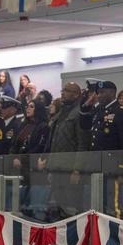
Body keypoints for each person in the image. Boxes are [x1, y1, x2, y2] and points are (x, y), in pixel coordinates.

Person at [42, 82, 89, 214]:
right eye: (63, 90)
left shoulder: (79, 113)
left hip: (70, 171)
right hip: (57, 170)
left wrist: (77, 170)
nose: (62, 92)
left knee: (73, 208)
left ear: (75, 95)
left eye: (66, 90)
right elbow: (54, 143)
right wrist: (50, 167)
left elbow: (82, 143)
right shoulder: (61, 113)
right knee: (60, 207)